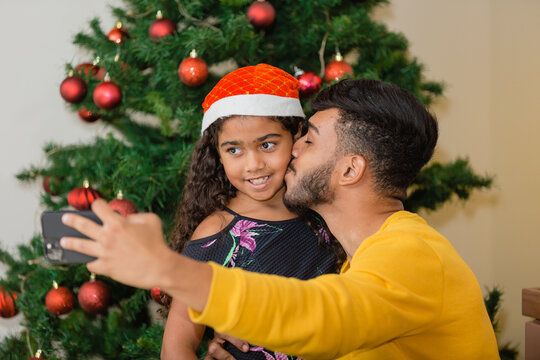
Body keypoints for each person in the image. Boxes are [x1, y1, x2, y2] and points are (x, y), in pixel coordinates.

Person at [61, 78, 500, 359]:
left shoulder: (412, 252)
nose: (293, 152)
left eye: (307, 139)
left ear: (350, 169)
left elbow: (321, 315)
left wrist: (166, 268)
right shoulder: (355, 259)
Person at [164, 64, 340, 359]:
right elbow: (176, 343)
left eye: (267, 145)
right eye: (234, 150)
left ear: (297, 136)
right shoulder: (215, 234)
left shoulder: (327, 210)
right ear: (217, 155)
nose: (253, 165)